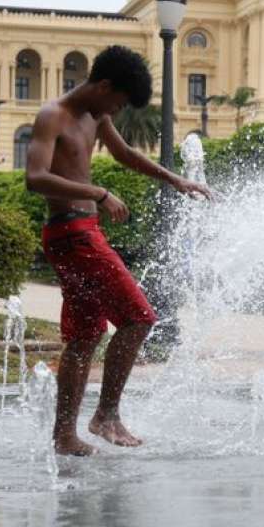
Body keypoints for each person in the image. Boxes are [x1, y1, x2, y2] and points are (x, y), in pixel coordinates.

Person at [26, 45, 211, 456]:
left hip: (82, 231)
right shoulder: (52, 115)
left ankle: (64, 436)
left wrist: (176, 180)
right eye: (119, 100)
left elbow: (125, 154)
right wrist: (98, 192)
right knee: (138, 317)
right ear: (105, 85)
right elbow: (35, 178)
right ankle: (105, 415)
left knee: (85, 335)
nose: (118, 109)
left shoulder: (98, 115)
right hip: (72, 234)